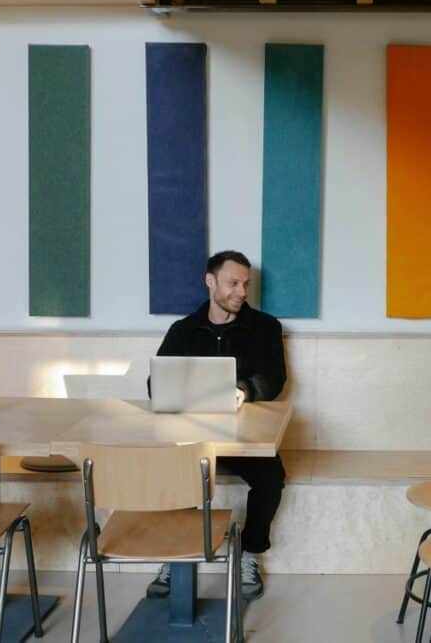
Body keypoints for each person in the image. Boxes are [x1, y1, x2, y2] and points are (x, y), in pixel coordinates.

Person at [147, 250, 287, 602]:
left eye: (245, 284)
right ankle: (178, 554)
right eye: (233, 283)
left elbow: (275, 379)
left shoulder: (266, 328)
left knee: (271, 475)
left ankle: (250, 553)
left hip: (244, 442)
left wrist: (244, 390)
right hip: (192, 440)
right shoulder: (183, 330)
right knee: (170, 471)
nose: (241, 291)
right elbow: (155, 384)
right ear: (211, 282)